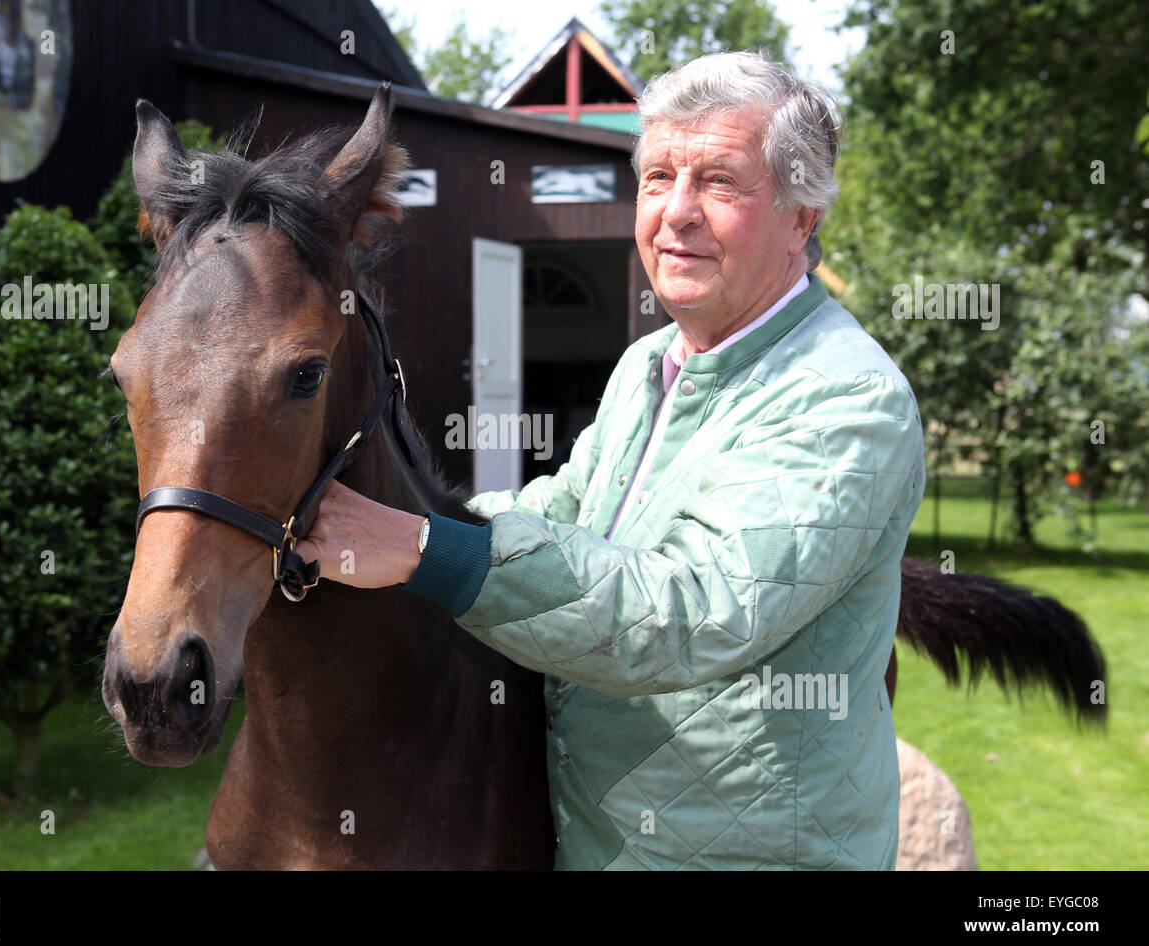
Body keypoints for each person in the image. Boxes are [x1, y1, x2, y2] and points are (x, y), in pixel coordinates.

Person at [295, 50, 926, 870]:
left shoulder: (845, 398)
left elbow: (694, 614)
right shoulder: (653, 362)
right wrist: (411, 517)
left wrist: (427, 551)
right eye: (658, 177)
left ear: (803, 215)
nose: (677, 213)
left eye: (720, 182)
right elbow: (567, 510)